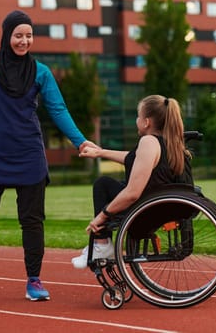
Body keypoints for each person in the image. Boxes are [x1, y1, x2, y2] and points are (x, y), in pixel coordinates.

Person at [0, 10, 98, 302]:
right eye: (18, 35)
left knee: (32, 221)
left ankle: (34, 280)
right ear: (7, 35)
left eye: (28, 35)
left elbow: (58, 109)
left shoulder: (41, 72)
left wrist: (80, 141)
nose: (24, 41)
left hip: (29, 154)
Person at [71, 94, 193, 269]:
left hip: (147, 209)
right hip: (165, 206)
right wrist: (100, 152)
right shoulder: (172, 143)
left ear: (146, 122)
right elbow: (133, 159)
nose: (136, 120)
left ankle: (102, 244)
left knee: (103, 184)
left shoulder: (148, 142)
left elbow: (133, 193)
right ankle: (102, 244)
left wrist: (102, 216)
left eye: (138, 116)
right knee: (113, 184)